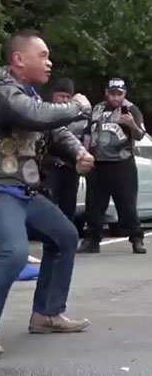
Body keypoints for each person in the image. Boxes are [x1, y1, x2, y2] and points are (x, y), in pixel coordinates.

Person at [0, 30, 95, 359]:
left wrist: (78, 153)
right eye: (43, 55)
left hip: (22, 189)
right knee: (15, 252)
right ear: (19, 59)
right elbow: (36, 115)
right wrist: (76, 106)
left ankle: (46, 313)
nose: (50, 62)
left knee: (64, 236)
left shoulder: (26, 92)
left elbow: (54, 128)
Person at [78, 78, 146, 254]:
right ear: (106, 92)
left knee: (127, 204)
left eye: (119, 94)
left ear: (124, 94)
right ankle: (92, 240)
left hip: (121, 162)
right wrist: (85, 155)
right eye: (112, 93)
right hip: (99, 162)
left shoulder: (131, 109)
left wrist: (131, 124)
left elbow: (140, 135)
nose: (115, 98)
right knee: (94, 204)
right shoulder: (97, 109)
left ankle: (137, 238)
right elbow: (87, 133)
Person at [41, 78, 87, 222]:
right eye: (61, 96)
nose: (64, 100)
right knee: (49, 208)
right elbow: (58, 134)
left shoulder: (78, 117)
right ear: (53, 95)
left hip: (71, 168)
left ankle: (65, 243)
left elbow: (85, 137)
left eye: (68, 97)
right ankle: (49, 243)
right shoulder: (43, 111)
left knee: (68, 209)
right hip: (50, 169)